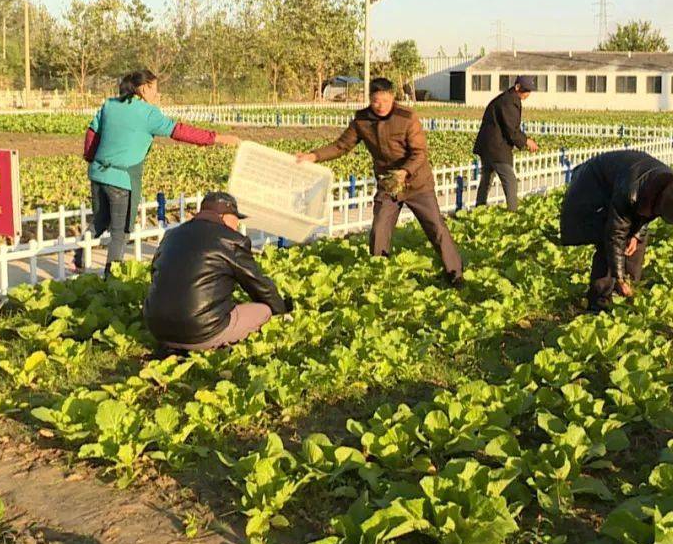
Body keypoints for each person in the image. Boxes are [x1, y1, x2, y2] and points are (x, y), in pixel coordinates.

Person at [297, 77, 464, 286]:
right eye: (376, 101)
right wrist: (313, 156)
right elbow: (341, 146)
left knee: (436, 228)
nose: (381, 106)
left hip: (417, 183)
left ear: (392, 97)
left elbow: (420, 153)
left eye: (385, 100)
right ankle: (379, 278)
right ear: (370, 99)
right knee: (379, 230)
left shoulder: (407, 117)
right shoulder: (362, 120)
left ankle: (455, 274)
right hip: (388, 184)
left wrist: (404, 172)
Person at [77, 70, 240, 275]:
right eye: (155, 89)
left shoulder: (109, 105)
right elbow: (180, 131)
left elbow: (92, 132)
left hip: (98, 174)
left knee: (100, 220)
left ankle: (78, 256)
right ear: (144, 88)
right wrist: (217, 138)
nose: (157, 94)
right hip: (121, 179)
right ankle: (112, 279)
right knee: (120, 233)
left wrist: (91, 159)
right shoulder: (148, 113)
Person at [144, 191, 290, 351]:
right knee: (264, 311)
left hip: (157, 328)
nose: (238, 225)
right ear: (225, 216)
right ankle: (219, 349)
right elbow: (258, 285)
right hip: (201, 332)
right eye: (236, 219)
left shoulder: (171, 235)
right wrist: (281, 312)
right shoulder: (231, 240)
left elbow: (155, 273)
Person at [559, 150, 673, 311]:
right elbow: (615, 235)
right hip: (592, 192)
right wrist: (619, 278)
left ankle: (627, 293)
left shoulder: (669, 189)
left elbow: (648, 215)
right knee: (606, 241)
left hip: (619, 186)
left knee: (636, 242)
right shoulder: (631, 192)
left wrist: (636, 235)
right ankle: (600, 300)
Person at [473, 75, 540, 211]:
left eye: (529, 91)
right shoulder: (508, 102)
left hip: (487, 146)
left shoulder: (509, 98)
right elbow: (511, 130)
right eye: (525, 90)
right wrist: (526, 141)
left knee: (486, 179)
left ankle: (478, 209)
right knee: (510, 180)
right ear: (517, 87)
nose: (527, 94)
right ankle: (513, 213)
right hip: (496, 147)